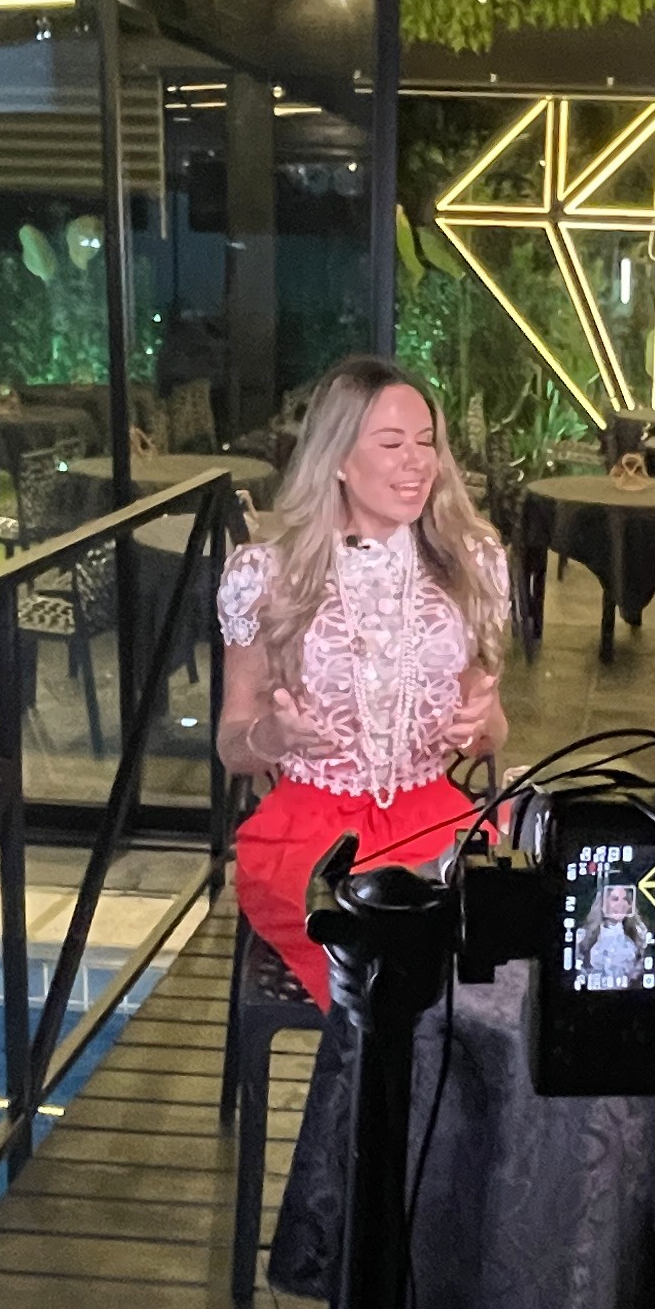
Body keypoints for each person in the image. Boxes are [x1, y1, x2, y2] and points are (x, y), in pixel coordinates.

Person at [217, 355, 509, 1006]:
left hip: (432, 820)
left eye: (427, 443)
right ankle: (381, 1092)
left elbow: (491, 733)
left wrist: (480, 725)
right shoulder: (266, 575)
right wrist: (273, 734)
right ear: (339, 460)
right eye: (392, 444)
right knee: (381, 967)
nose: (417, 462)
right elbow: (233, 746)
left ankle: (420, 1096)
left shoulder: (474, 564)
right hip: (312, 838)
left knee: (484, 955)